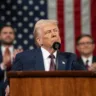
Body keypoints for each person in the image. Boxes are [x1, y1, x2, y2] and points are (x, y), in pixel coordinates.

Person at [12, 19, 85, 71]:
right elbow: (9, 82)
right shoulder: (24, 58)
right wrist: (8, 86)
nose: (54, 34)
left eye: (55, 31)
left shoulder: (70, 58)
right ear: (39, 40)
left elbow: (86, 77)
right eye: (48, 32)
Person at [0, 25, 23, 96]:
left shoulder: (21, 52)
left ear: (14, 36)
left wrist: (19, 61)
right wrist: (3, 64)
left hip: (16, 89)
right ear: (0, 36)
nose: (8, 35)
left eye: (10, 33)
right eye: (5, 33)